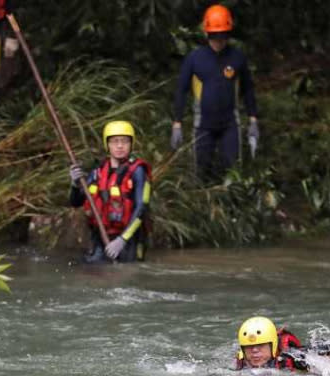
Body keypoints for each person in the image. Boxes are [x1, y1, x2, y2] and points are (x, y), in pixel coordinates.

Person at [171, 4, 259, 183]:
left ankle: (231, 204)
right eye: (215, 36)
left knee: (233, 172)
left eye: (223, 35)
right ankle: (202, 204)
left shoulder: (237, 57)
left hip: (230, 124)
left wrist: (253, 119)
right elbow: (181, 90)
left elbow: (248, 88)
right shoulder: (195, 58)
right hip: (203, 125)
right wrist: (177, 123)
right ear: (207, 33)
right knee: (200, 173)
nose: (219, 40)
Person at [69, 121, 152, 263]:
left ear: (131, 144)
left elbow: (141, 207)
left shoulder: (138, 171)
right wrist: (75, 184)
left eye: (125, 141)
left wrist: (122, 240)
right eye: (114, 141)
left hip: (128, 239)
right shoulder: (98, 172)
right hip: (100, 237)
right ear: (107, 144)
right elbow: (75, 202)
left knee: (124, 275)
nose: (120, 146)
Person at [234, 316, 330, 372]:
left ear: (273, 345)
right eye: (248, 347)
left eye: (260, 345)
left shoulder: (293, 358)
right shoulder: (242, 362)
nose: (254, 351)